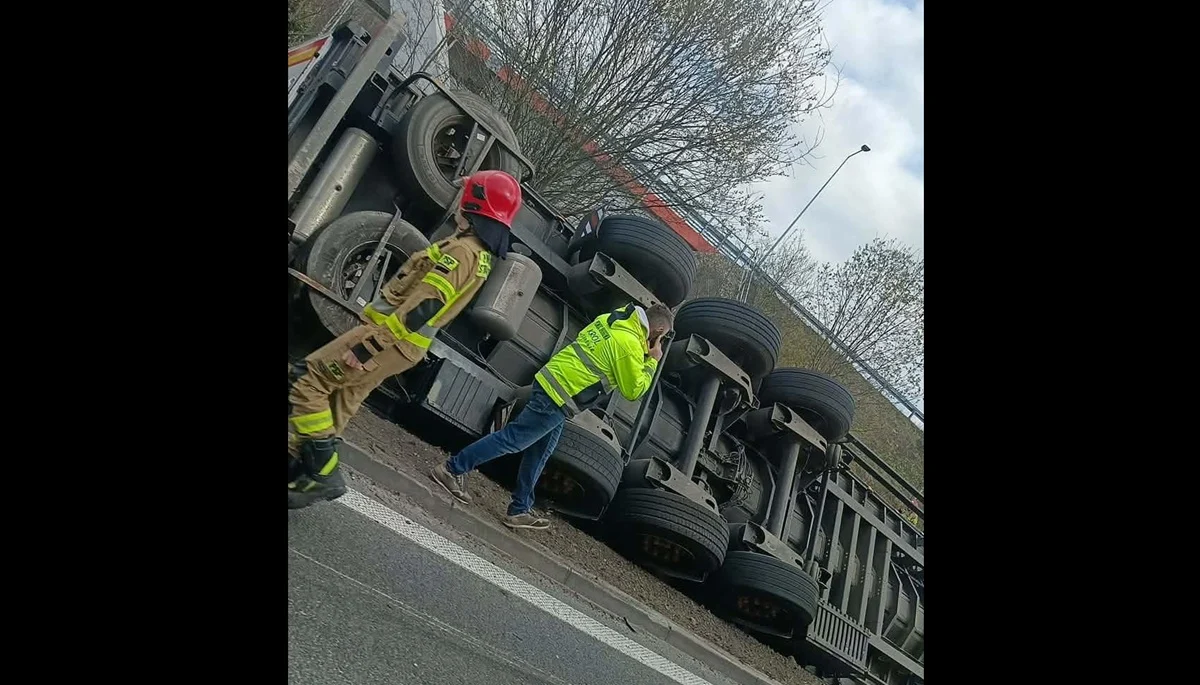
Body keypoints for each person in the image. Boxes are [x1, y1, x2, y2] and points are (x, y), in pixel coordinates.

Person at [288, 170, 523, 509]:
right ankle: (298, 464)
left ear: (475, 204)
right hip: (400, 344)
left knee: (307, 380)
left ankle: (322, 472)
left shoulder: (462, 252)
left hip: (388, 339)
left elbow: (424, 306)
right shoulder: (475, 252)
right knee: (342, 398)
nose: (458, 200)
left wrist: (369, 346)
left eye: (466, 194)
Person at [431, 302, 674, 530]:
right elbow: (634, 391)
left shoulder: (613, 319)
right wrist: (652, 361)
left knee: (541, 451)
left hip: (553, 382)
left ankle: (519, 508)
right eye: (662, 337)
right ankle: (452, 469)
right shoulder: (629, 345)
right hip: (560, 396)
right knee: (512, 440)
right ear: (658, 331)